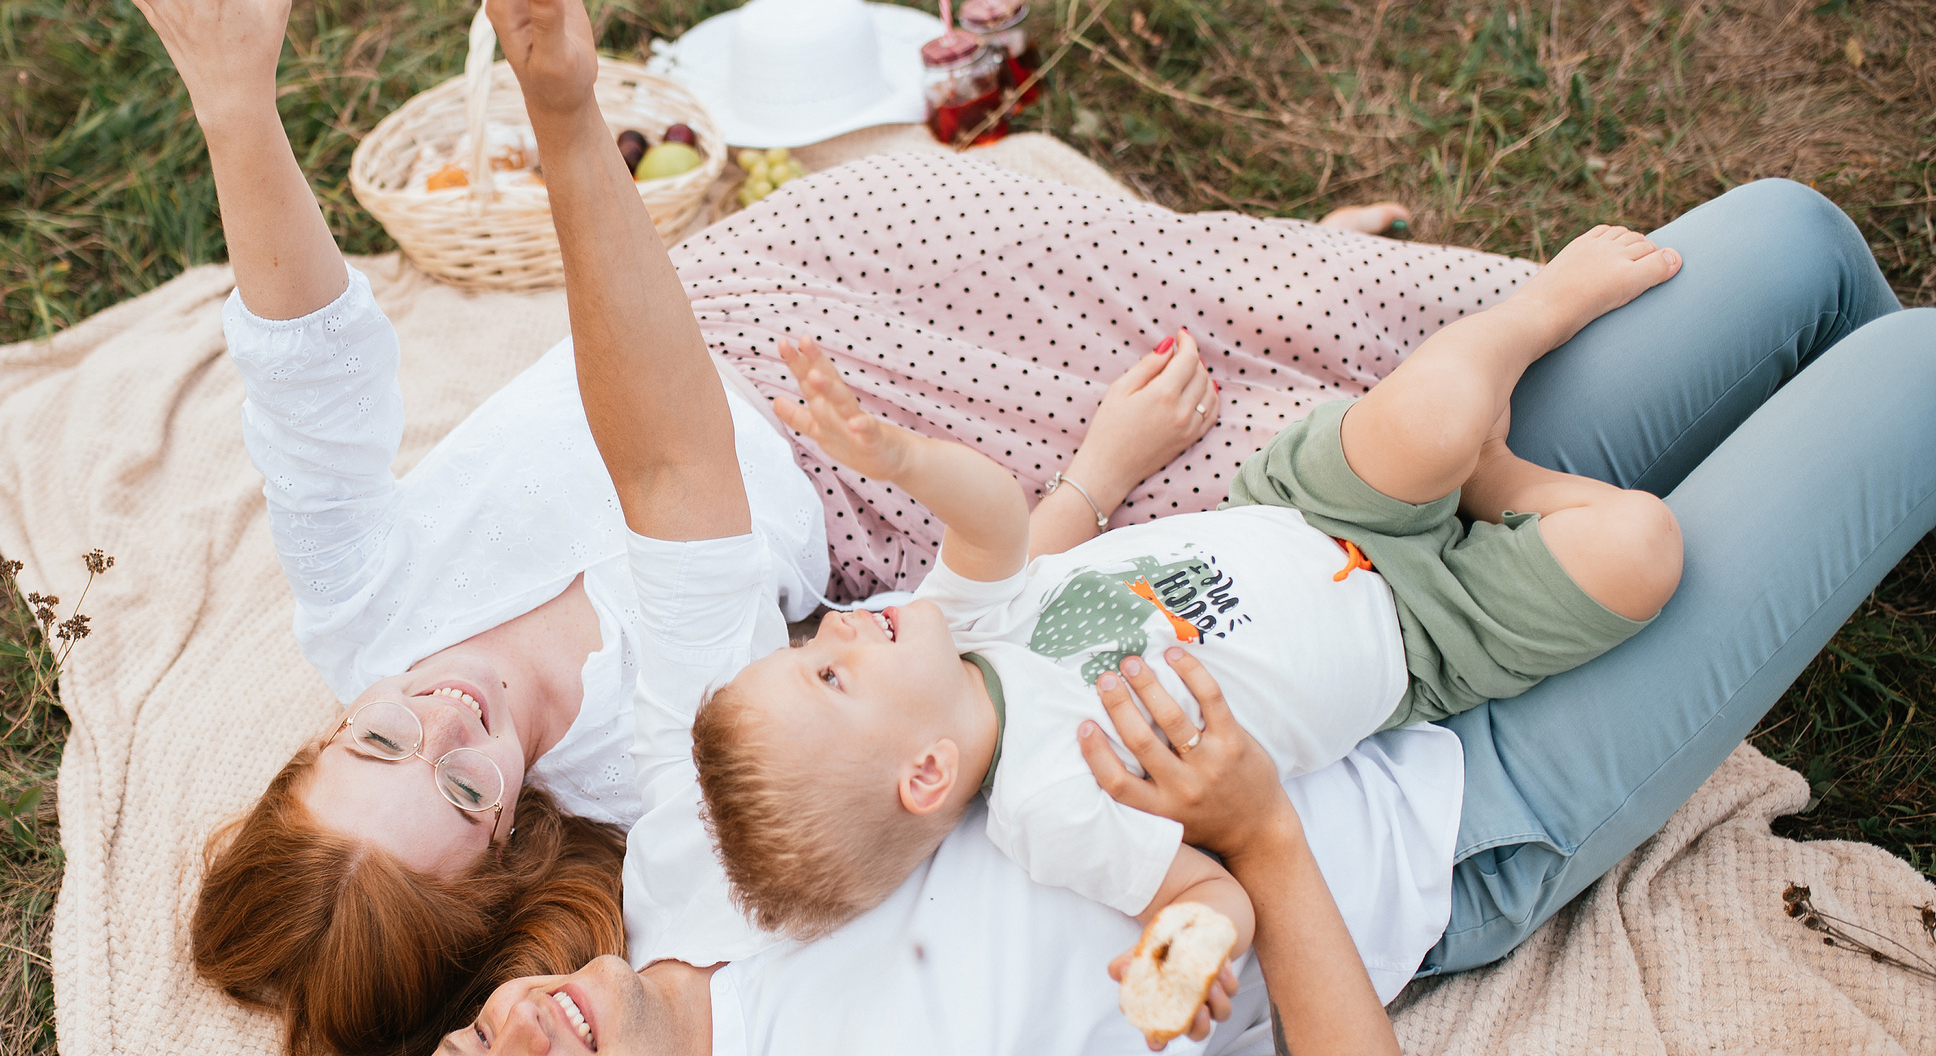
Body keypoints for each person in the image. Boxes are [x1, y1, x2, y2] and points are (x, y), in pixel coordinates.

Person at [335, 0, 1936, 1056]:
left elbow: (676, 469)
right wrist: (1261, 840)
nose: (522, 1033)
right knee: (1911, 376)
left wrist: (565, 116)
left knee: (1792, 241)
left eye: (475, 1041)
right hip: (1463, 796)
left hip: (1328, 548)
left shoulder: (689, 843)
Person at [59, 0, 1475, 1056]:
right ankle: (1314, 304)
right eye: (467, 783)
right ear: (507, 853)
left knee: (1147, 267)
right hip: (877, 483)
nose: (447, 715)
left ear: (321, 741)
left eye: (376, 739)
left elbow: (309, 371)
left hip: (754, 295)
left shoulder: (357, 610)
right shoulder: (655, 773)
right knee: (1304, 452)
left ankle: (1279, 268)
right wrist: (1097, 475)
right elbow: (869, 590)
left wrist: (236, 105)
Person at [691, 222, 1686, 943]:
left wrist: (900, 457)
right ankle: (1492, 476)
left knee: (1426, 419)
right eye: (830, 676)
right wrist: (1186, 950)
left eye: (810, 646)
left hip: (1310, 509)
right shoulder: (1049, 808)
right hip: (1425, 639)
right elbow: (1203, 893)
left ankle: (1537, 311)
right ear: (925, 775)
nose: (838, 630)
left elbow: (995, 518)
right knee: (1641, 549)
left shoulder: (954, 623)